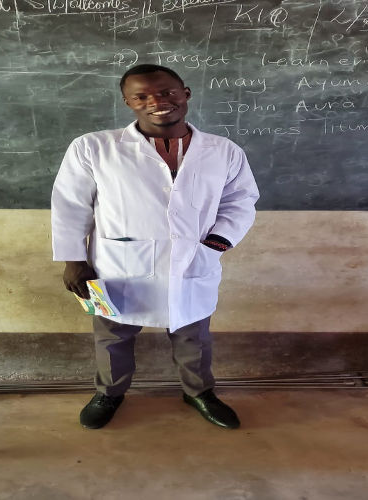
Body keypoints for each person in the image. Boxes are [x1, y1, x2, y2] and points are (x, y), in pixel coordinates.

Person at [51, 64, 259, 430]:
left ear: (185, 93)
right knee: (112, 335)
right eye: (141, 96)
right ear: (128, 102)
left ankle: (199, 392)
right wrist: (73, 260)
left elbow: (240, 200)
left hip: (193, 261)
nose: (157, 102)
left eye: (166, 92)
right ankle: (109, 393)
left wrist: (215, 244)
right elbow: (70, 205)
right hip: (118, 265)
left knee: (194, 336)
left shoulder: (223, 150)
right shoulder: (93, 147)